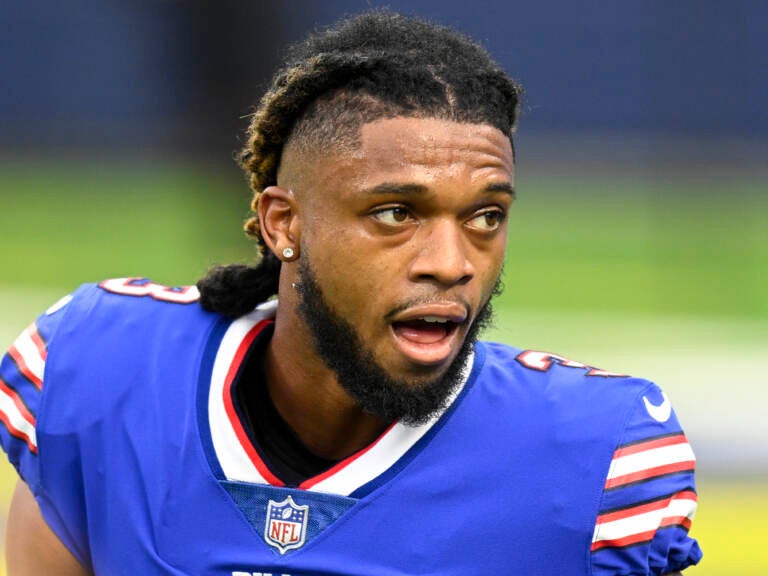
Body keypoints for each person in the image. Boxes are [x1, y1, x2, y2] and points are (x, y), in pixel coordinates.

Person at [0, 10, 702, 576]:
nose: (452, 263)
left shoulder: (591, 461)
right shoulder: (99, 372)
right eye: (397, 213)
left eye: (486, 216)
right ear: (284, 224)